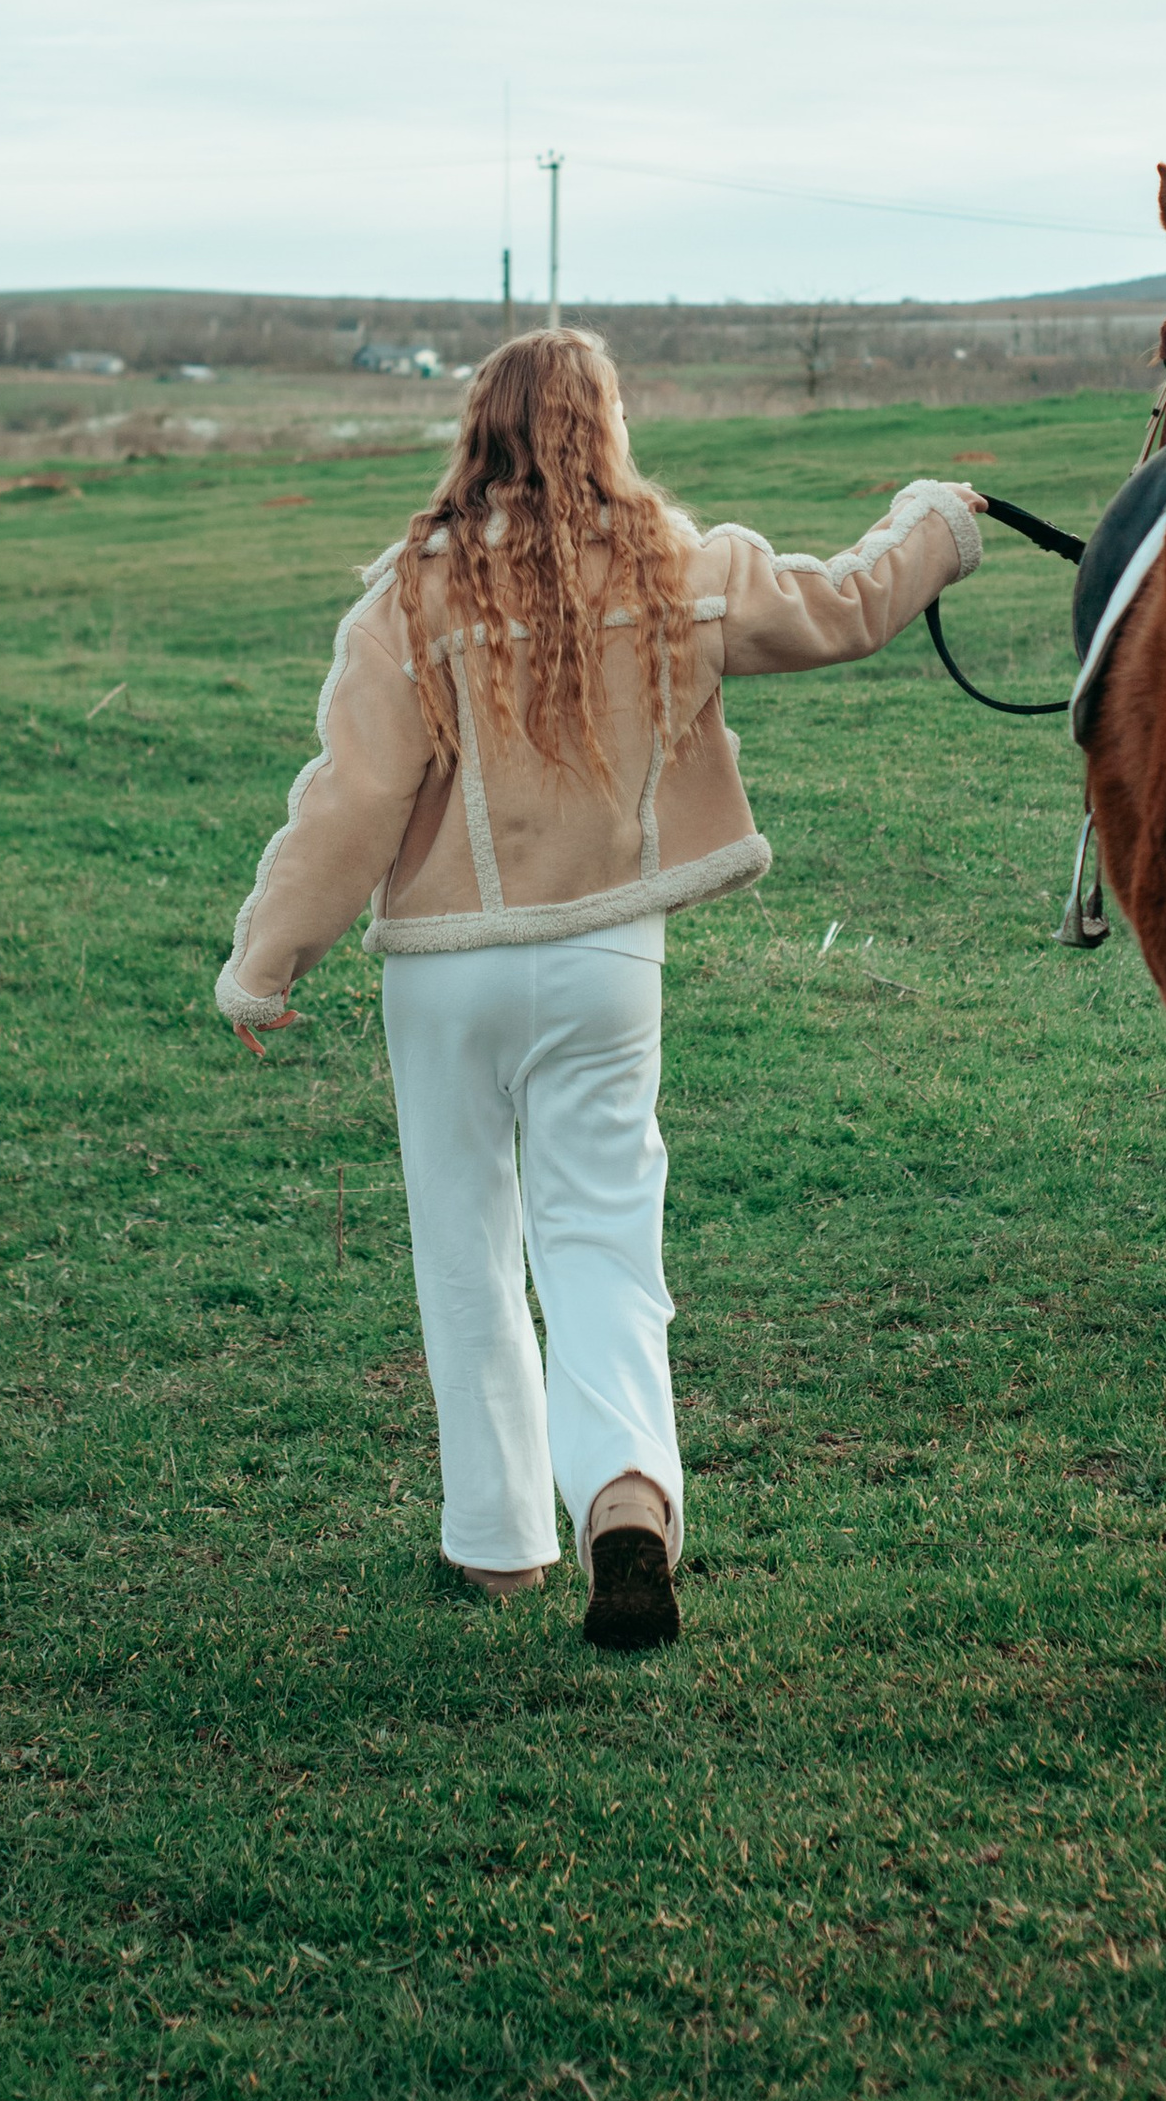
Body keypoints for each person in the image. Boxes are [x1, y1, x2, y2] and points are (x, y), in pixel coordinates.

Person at [215, 327, 986, 1651]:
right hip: (607, 963)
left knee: (467, 1244)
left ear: (478, 430)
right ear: (606, 425)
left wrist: (265, 961)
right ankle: (626, 1495)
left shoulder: (408, 596)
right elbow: (844, 602)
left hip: (447, 977)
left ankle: (498, 1541)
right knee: (604, 1242)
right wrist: (939, 521)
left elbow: (350, 803)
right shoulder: (679, 566)